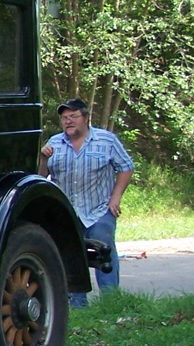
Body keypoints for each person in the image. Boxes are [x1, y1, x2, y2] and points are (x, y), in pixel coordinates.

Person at [38, 97, 134, 307]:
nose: (68, 121)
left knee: (104, 249)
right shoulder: (54, 143)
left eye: (73, 116)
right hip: (68, 213)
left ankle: (110, 302)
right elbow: (40, 176)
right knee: (70, 256)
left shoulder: (106, 140)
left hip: (99, 210)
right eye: (64, 118)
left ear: (86, 117)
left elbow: (126, 167)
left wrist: (115, 198)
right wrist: (43, 159)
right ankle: (77, 306)